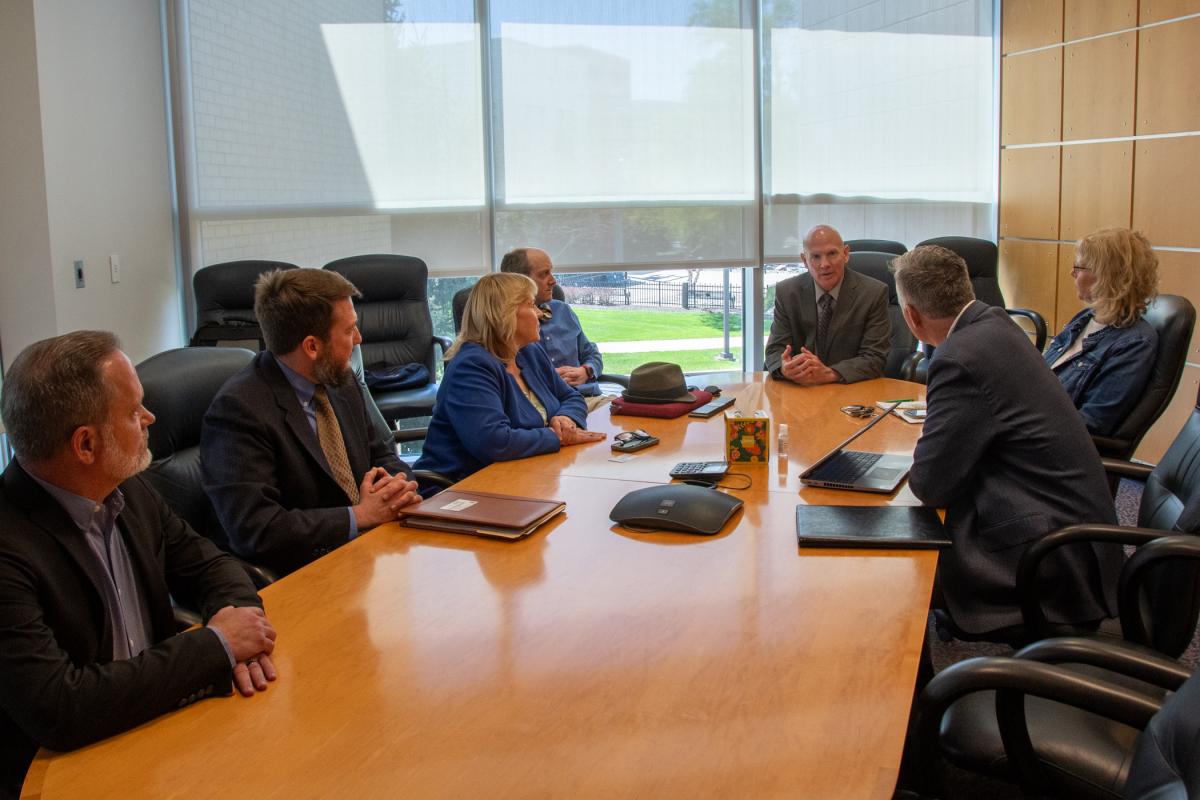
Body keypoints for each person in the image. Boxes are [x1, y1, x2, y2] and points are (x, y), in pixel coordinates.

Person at [0, 332, 277, 799]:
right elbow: (60, 707)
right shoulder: (9, 545)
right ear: (85, 445)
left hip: (159, 728)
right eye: (133, 412)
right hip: (65, 774)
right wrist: (215, 647)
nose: (150, 419)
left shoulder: (127, 491)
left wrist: (239, 628)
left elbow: (213, 566)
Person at [891, 245, 1122, 635]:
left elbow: (930, 485)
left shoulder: (959, 356)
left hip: (1050, 558)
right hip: (1075, 535)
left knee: (895, 567)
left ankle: (918, 688)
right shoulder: (995, 325)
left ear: (911, 316)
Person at [201, 268, 420, 576]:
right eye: (348, 331)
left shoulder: (340, 381)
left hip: (369, 555)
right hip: (304, 571)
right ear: (312, 346)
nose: (359, 339)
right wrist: (358, 516)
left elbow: (381, 454)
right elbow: (257, 529)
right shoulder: (239, 410)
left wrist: (396, 486)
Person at [415, 272, 605, 484]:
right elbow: (494, 442)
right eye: (532, 305)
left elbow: (571, 396)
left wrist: (566, 418)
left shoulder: (531, 352)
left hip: (526, 476)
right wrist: (558, 436)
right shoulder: (471, 366)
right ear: (506, 314)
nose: (540, 314)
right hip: (463, 487)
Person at [1042, 227, 1159, 437]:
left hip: (1051, 447)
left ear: (1105, 275)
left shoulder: (1134, 342)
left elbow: (1092, 422)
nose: (1072, 273)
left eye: (1079, 267)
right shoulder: (1084, 319)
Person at [764, 224, 890, 384]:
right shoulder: (788, 292)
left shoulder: (873, 293)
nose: (824, 264)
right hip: (802, 391)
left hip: (851, 391)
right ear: (804, 260)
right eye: (815, 256)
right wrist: (785, 368)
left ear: (845, 254)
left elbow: (875, 358)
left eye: (832, 254)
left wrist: (830, 374)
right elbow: (775, 351)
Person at [500, 248, 605, 399]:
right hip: (548, 403)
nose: (553, 281)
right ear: (520, 280)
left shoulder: (563, 310)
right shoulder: (507, 324)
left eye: (551, 272)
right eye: (544, 274)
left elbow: (591, 353)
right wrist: (546, 377)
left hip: (587, 396)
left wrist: (586, 371)